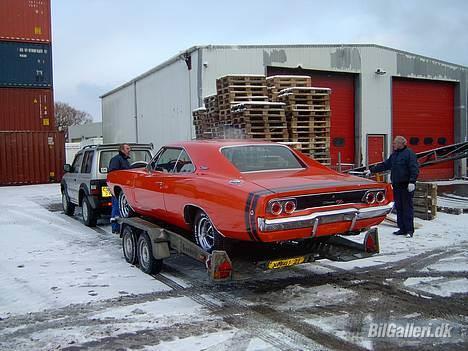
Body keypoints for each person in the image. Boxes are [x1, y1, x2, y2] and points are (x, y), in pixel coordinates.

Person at [366, 136, 419, 238]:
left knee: (407, 207)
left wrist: (412, 181)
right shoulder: (395, 155)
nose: (393, 144)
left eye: (395, 143)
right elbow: (385, 165)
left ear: (401, 144)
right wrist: (372, 170)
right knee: (399, 207)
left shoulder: (409, 154)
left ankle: (409, 230)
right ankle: (402, 228)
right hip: (397, 185)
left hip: (406, 185)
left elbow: (414, 168)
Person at [108, 143, 131, 233]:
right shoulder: (116, 160)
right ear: (122, 150)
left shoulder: (125, 160)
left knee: (121, 207)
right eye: (127, 148)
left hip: (124, 189)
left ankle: (119, 226)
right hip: (118, 189)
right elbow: (113, 173)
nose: (129, 150)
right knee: (117, 207)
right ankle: (115, 227)